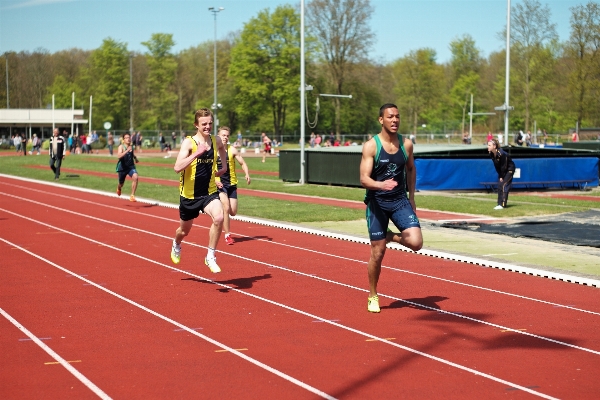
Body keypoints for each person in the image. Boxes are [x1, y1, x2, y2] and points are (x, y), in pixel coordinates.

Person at [359, 103, 423, 313]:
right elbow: (363, 179)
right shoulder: (371, 146)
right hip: (377, 202)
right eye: (390, 117)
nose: (394, 120)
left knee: (416, 242)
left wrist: (411, 197)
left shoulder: (406, 144)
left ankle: (390, 236)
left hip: (399, 201)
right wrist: (380, 185)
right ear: (381, 120)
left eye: (397, 116)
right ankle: (372, 295)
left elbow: (411, 169)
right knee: (378, 253)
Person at [170, 108, 228, 273]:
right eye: (204, 124)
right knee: (183, 231)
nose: (208, 126)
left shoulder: (216, 140)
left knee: (219, 217)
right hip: (189, 196)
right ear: (196, 125)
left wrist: (223, 166)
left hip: (209, 193)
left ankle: (210, 256)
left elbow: (223, 149)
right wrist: (197, 153)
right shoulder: (189, 143)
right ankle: (176, 244)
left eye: (210, 123)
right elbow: (177, 168)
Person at [215, 126, 251, 245]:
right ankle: (227, 235)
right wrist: (214, 180)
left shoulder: (232, 150)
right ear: (218, 136)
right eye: (223, 135)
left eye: (227, 136)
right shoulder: (213, 151)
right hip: (220, 185)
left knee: (233, 212)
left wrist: (247, 174)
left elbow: (243, 163)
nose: (225, 138)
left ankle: (220, 214)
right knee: (225, 207)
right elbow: (205, 169)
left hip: (232, 184)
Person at [487, 138, 515, 210]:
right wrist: (500, 175)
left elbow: (504, 166)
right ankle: (499, 204)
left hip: (509, 170)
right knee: (500, 185)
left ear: (494, 146)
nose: (488, 147)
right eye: (488, 145)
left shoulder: (501, 154)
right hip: (503, 171)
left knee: (504, 185)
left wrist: (502, 176)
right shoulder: (492, 154)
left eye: (489, 145)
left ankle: (503, 204)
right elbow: (496, 166)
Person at [116, 132, 139, 202]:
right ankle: (119, 188)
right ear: (123, 139)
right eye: (126, 138)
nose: (128, 139)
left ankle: (132, 196)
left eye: (129, 137)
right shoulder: (121, 147)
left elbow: (132, 154)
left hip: (130, 167)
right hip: (122, 168)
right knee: (121, 184)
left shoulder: (131, 146)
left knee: (136, 177)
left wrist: (135, 158)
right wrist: (127, 150)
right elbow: (119, 156)